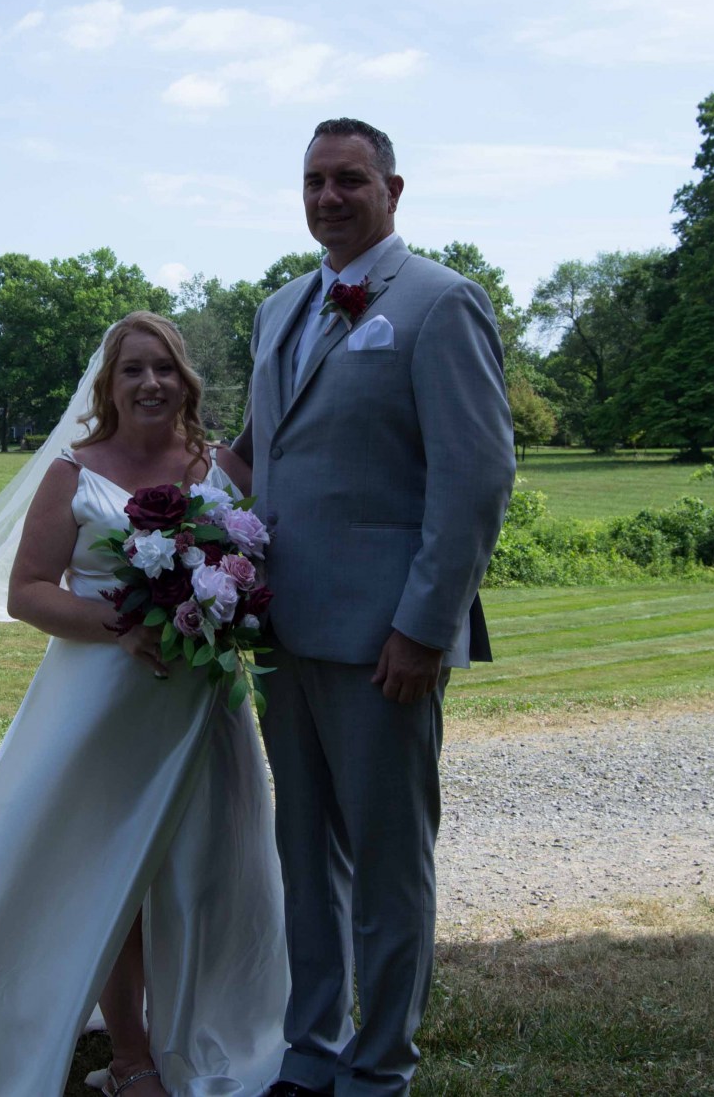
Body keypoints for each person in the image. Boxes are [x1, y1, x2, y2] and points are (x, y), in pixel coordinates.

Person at [0, 311, 288, 1097]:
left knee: (210, 869)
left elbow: (260, 557)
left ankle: (210, 1030)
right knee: (104, 875)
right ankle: (132, 1055)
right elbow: (27, 591)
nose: (150, 382)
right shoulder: (73, 473)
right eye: (132, 369)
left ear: (185, 380)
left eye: (164, 367)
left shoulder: (221, 469)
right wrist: (125, 624)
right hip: (101, 710)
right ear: (107, 385)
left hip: (204, 707)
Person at [237, 119, 515, 1097]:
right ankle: (310, 1050)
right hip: (282, 633)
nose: (328, 196)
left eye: (349, 179)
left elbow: (474, 479)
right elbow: (256, 456)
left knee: (389, 864)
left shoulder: (440, 303)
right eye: (314, 179)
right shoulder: (277, 309)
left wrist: (424, 626)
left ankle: (380, 1064)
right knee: (304, 857)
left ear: (392, 190)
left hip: (385, 641)